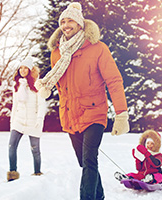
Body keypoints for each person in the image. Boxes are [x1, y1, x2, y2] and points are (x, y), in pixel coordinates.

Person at [35, 2, 130, 199]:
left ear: (80, 24)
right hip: (70, 116)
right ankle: (100, 196)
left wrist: (121, 114)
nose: (66, 24)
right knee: (85, 163)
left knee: (89, 160)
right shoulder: (57, 53)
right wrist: (46, 87)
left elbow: (113, 80)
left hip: (94, 113)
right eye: (63, 21)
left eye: (70, 20)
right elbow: (60, 82)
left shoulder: (98, 49)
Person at [7, 57, 46, 182]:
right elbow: (15, 105)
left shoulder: (37, 84)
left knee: (35, 150)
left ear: (30, 70)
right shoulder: (16, 85)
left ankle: (37, 173)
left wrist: (39, 119)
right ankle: (12, 173)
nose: (23, 70)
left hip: (33, 121)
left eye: (25, 68)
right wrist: (12, 122)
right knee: (11, 146)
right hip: (18, 121)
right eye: (21, 68)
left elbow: (41, 104)